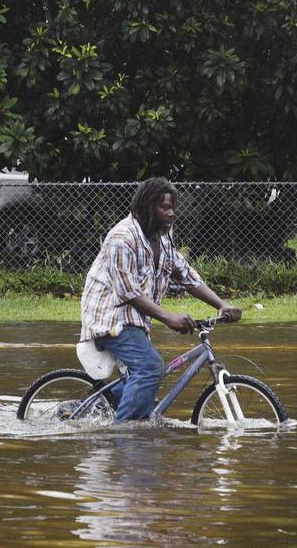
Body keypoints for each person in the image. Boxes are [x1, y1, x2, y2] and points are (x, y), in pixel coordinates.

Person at [80, 177, 241, 422]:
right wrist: (168, 317)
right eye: (164, 207)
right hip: (110, 319)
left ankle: (100, 404)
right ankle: (124, 435)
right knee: (151, 368)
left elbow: (186, 275)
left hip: (134, 322)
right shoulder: (122, 237)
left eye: (172, 207)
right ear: (146, 207)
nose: (171, 213)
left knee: (148, 383)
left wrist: (222, 305)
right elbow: (127, 291)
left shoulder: (162, 238)